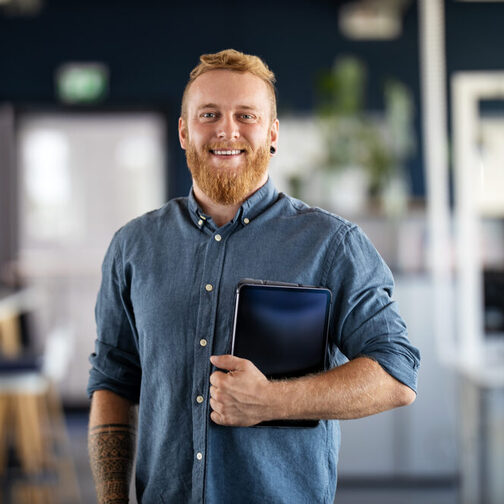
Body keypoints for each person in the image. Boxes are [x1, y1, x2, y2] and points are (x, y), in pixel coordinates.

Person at [87, 49, 420, 504]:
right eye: (209, 114)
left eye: (247, 115)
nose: (227, 130)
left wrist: (272, 401)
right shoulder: (133, 246)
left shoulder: (332, 244)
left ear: (272, 133)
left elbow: (396, 374)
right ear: (184, 132)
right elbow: (113, 380)